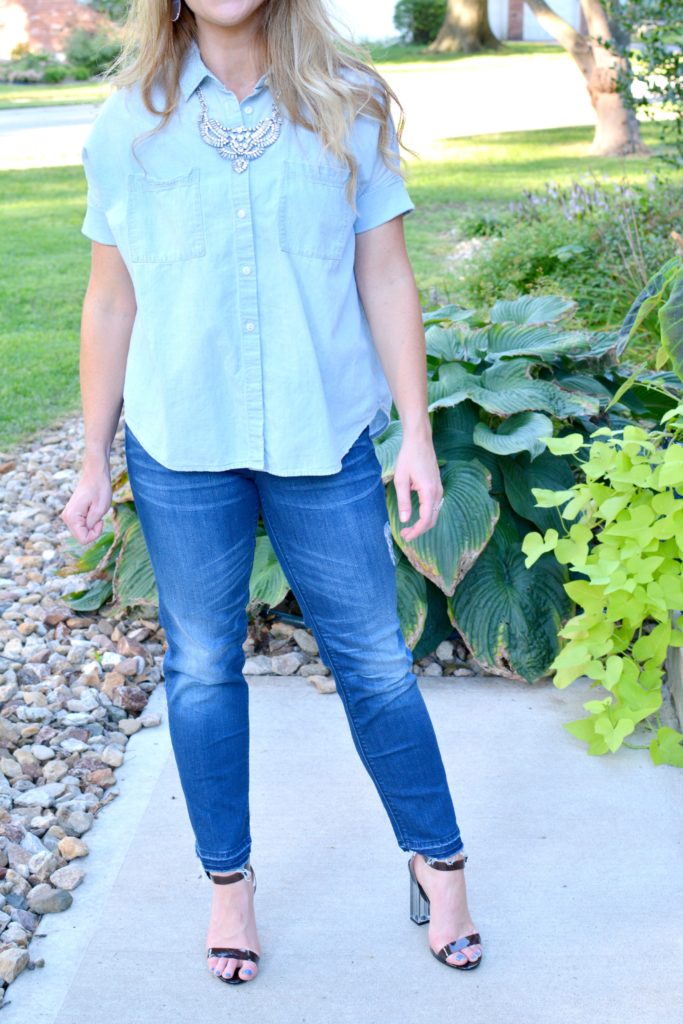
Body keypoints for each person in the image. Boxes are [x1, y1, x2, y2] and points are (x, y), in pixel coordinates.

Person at [60, 0, 483, 985]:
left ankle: (440, 863)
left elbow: (384, 275)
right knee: (203, 664)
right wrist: (91, 455)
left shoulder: (350, 103)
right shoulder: (129, 122)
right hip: (183, 442)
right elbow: (110, 297)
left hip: (320, 434)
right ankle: (227, 883)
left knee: (375, 662)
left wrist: (414, 433)